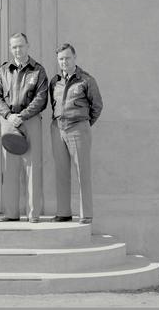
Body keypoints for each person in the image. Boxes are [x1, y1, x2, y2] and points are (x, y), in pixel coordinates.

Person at [0, 32, 49, 223]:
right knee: (10, 169)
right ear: (10, 48)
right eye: (14, 47)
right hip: (8, 121)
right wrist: (8, 115)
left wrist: (22, 116)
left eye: (21, 46)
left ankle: (33, 214)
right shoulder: (4, 70)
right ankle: (11, 213)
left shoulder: (38, 70)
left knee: (32, 168)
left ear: (28, 45)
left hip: (30, 121)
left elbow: (41, 98)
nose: (18, 50)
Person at [49, 42, 103, 224]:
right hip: (58, 129)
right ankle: (63, 212)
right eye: (61, 59)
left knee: (82, 172)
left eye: (67, 58)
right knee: (61, 172)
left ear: (74, 58)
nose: (64, 61)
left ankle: (86, 214)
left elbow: (97, 106)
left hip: (78, 128)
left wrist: (84, 123)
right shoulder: (55, 81)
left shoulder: (86, 80)